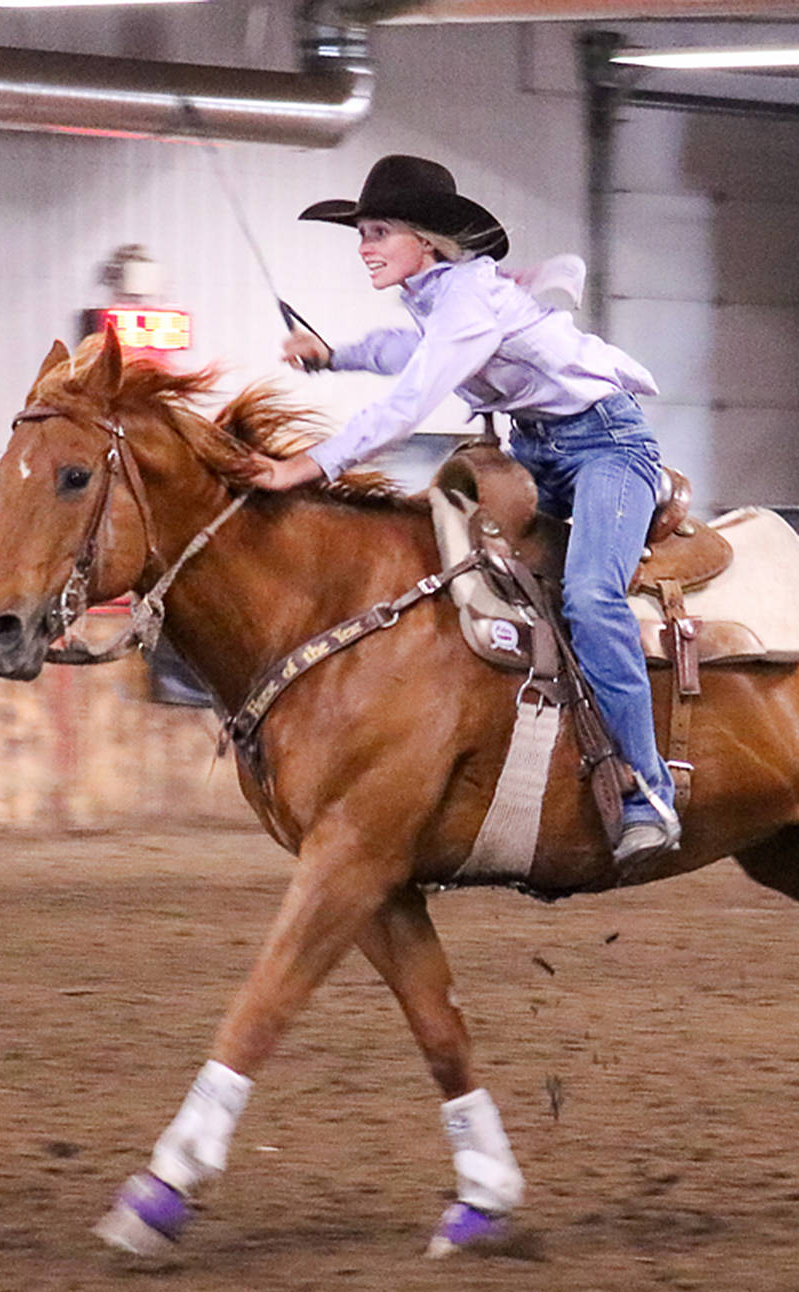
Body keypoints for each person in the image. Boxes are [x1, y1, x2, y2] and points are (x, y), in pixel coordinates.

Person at [254, 154, 681, 867]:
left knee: (591, 596)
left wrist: (309, 463)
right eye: (361, 232)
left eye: (380, 231)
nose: (365, 246)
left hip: (606, 445)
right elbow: (407, 349)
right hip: (538, 452)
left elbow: (410, 399)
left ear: (426, 240)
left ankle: (648, 792)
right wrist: (335, 355)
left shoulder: (465, 299)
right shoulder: (440, 296)